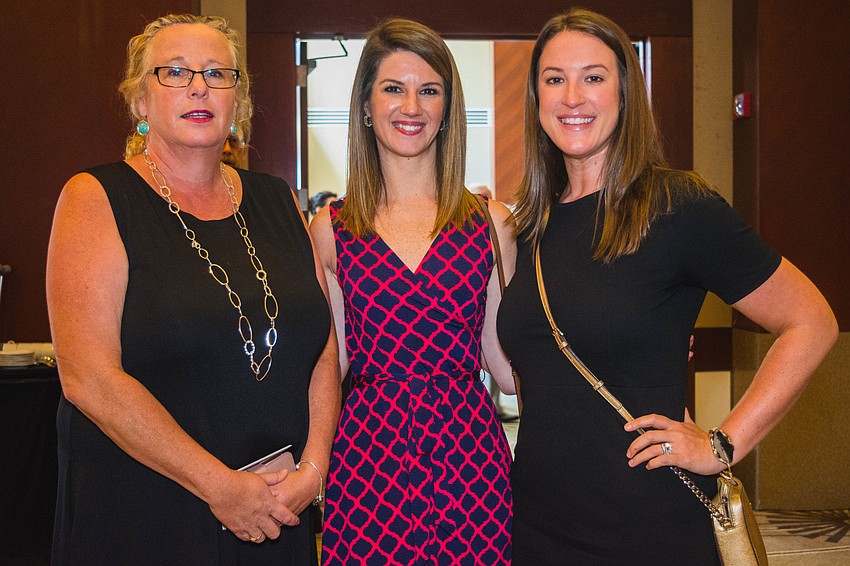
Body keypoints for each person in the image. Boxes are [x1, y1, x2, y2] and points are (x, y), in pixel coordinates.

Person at [497, 8, 838, 565]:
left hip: (647, 526)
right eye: (554, 79)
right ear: (536, 101)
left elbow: (811, 321)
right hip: (538, 522)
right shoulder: (533, 226)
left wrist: (721, 446)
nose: (572, 97)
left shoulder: (676, 205)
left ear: (625, 93)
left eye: (594, 77)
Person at [46, 14, 340, 565]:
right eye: (175, 72)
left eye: (216, 73)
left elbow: (321, 343)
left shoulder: (277, 201)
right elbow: (87, 376)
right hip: (147, 513)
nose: (199, 86)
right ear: (139, 100)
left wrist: (314, 469)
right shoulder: (97, 197)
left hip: (277, 510)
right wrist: (221, 488)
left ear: (239, 102)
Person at [311, 18, 516, 565]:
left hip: (470, 457)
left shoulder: (491, 224)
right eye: (393, 89)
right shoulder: (333, 228)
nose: (412, 107)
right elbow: (330, 366)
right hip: (365, 456)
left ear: (447, 109)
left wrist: (623, 356)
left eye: (429, 90)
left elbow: (505, 364)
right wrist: (308, 462)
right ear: (366, 105)